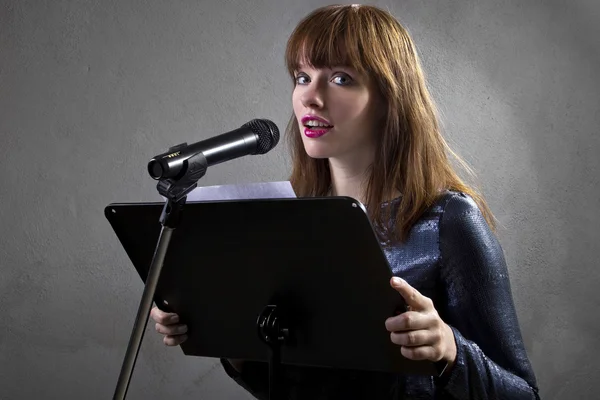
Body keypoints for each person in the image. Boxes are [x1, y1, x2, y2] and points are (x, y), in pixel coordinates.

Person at [150, 4, 540, 399]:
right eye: (302, 77)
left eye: (341, 78)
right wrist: (230, 339)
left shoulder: (447, 220)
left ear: (391, 97)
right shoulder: (288, 224)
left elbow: (525, 394)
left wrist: (449, 351)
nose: (311, 98)